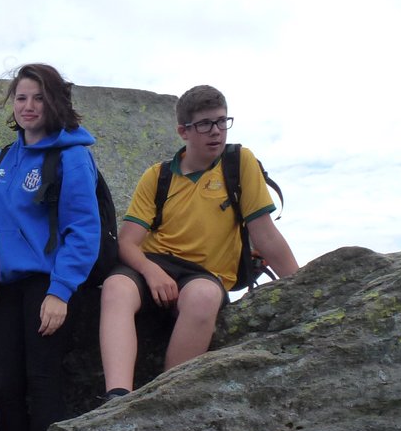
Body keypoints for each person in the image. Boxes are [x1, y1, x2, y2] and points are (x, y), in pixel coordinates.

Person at [99, 85, 298, 393]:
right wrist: (152, 272)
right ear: (183, 131)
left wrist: (302, 286)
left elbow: (266, 234)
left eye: (221, 121)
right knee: (116, 288)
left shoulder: (239, 163)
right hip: (154, 263)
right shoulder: (158, 176)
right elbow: (126, 242)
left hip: (204, 275)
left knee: (203, 298)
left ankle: (165, 396)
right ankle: (117, 396)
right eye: (204, 124)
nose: (216, 131)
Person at [0, 64, 101, 431]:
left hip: (48, 284)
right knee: (4, 383)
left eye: (38, 98)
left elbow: (84, 229)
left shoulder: (71, 155)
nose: (28, 107)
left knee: (42, 380)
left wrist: (61, 291)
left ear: (55, 102)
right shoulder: (3, 158)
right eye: (21, 98)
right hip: (7, 286)